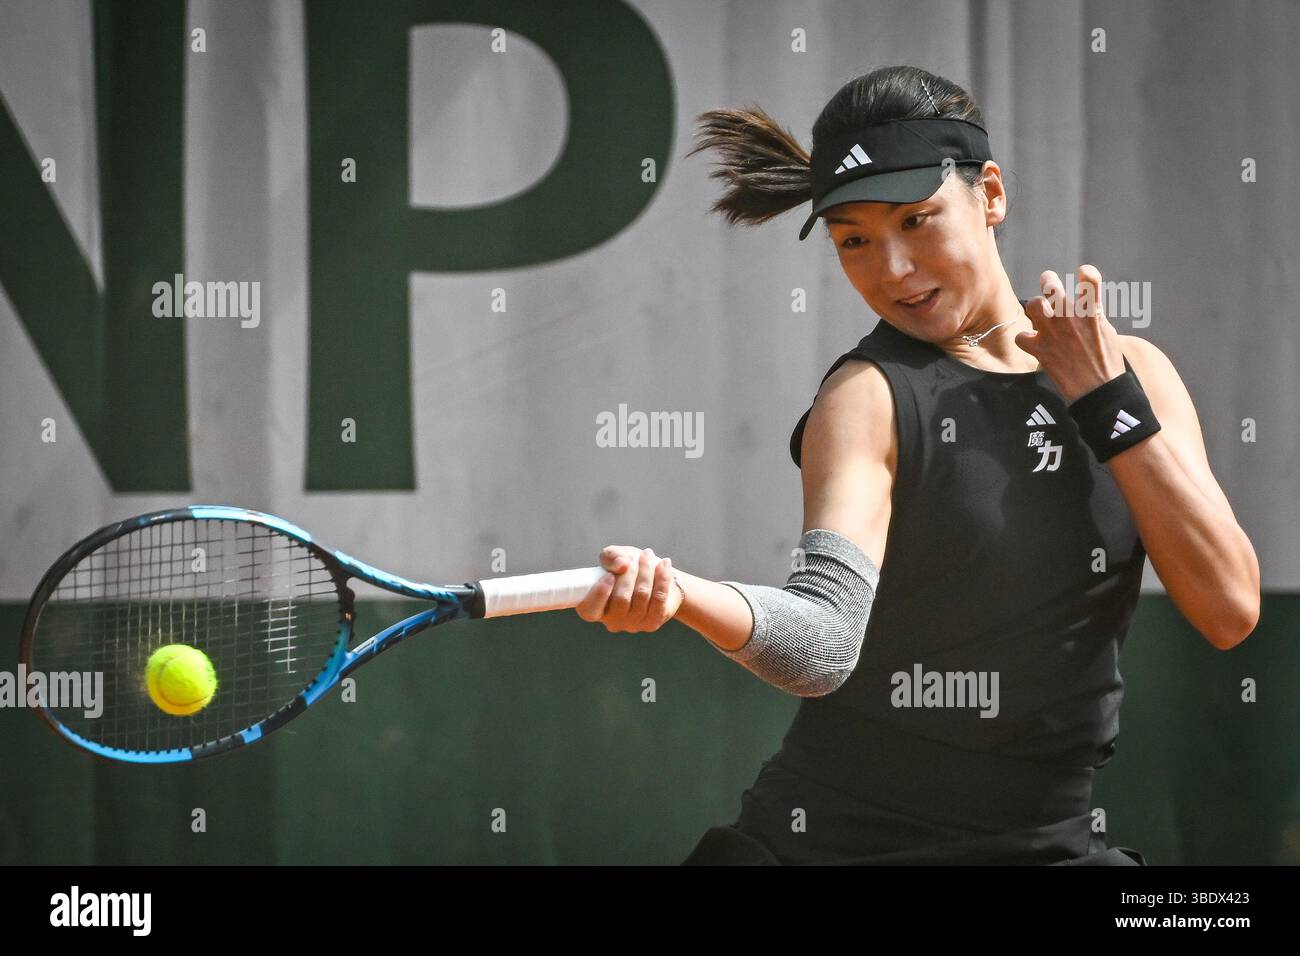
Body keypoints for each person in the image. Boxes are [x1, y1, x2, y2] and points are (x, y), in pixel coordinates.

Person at [574, 66, 1261, 865]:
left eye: (918, 220)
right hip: (834, 844)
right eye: (856, 241)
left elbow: (1228, 608)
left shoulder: (1135, 373)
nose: (893, 270)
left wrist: (1105, 398)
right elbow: (823, 644)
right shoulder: (864, 398)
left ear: (991, 195)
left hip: (1053, 843)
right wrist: (683, 594)